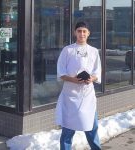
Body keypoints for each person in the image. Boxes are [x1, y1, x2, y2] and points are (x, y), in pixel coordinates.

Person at [55, 21, 102, 150]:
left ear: (88, 33)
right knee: (67, 132)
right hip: (70, 96)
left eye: (84, 31)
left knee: (92, 129)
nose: (82, 33)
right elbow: (61, 73)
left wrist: (91, 78)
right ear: (75, 33)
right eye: (79, 31)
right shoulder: (68, 50)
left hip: (87, 96)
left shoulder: (93, 51)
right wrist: (73, 79)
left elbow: (97, 72)